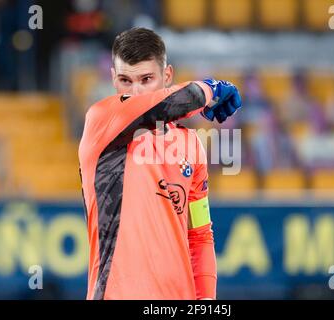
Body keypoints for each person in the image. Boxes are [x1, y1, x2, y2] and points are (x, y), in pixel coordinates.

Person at [78, 27, 242, 300]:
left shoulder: (191, 145)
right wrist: (211, 88)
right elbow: (172, 103)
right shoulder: (101, 122)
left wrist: (206, 300)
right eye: (125, 80)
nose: (136, 92)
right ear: (112, 80)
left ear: (167, 76)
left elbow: (199, 235)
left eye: (146, 79)